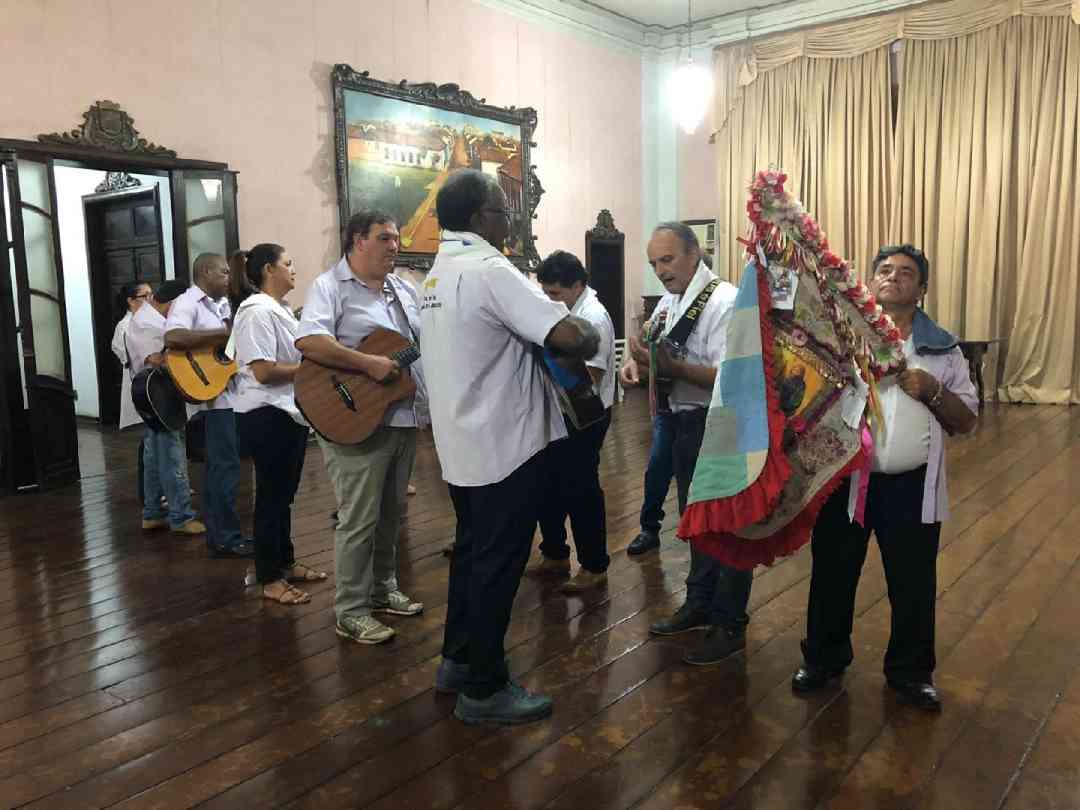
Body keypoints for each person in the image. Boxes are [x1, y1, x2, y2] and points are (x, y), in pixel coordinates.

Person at [420, 169, 600, 726]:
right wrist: (587, 331)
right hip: (507, 444)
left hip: (460, 441)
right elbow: (569, 337)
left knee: (472, 556)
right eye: (503, 210)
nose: (510, 219)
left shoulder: (436, 275)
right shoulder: (490, 270)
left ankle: (456, 661)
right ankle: (484, 688)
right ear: (479, 217)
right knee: (498, 566)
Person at [792, 245, 977, 711]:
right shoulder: (840, 338)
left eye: (907, 272)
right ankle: (822, 660)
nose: (893, 277)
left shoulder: (942, 349)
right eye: (884, 270)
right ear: (869, 282)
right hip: (846, 480)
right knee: (833, 573)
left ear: (922, 289)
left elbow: (966, 420)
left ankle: (911, 674)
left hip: (911, 487)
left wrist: (931, 389)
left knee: (912, 582)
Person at [296, 211, 426, 644]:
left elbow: (423, 341)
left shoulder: (403, 290)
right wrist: (367, 362)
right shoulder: (329, 287)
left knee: (393, 512)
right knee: (359, 517)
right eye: (385, 238)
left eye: (396, 238)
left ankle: (382, 588)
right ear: (357, 240)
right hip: (350, 415)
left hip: (402, 414)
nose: (395, 246)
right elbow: (310, 341)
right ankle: (350, 609)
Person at [622, 222, 748, 666]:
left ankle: (729, 621)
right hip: (681, 422)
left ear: (695, 254)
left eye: (668, 259)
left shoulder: (726, 301)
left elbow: (731, 376)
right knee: (697, 520)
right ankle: (699, 602)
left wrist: (669, 367)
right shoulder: (671, 304)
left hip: (720, 423)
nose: (659, 270)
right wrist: (637, 367)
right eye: (654, 262)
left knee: (729, 525)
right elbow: (656, 355)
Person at [228, 243, 327, 605]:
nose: (294, 269)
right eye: (288, 263)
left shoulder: (278, 309)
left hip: (288, 411)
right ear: (269, 270)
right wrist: (313, 369)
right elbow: (264, 370)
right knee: (271, 498)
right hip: (266, 413)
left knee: (283, 497)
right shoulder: (255, 311)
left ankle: (284, 560)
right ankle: (269, 578)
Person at [527, 250, 616, 593]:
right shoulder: (565, 312)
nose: (550, 300)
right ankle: (554, 554)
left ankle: (594, 566)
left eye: (555, 293)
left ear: (577, 285)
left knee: (581, 490)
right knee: (548, 485)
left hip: (585, 415)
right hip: (559, 413)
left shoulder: (593, 317)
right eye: (546, 293)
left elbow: (589, 376)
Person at [164, 253, 253, 559]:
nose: (229, 277)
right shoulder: (188, 301)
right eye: (223, 272)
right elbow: (173, 336)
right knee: (223, 468)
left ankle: (225, 534)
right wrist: (222, 333)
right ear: (204, 272)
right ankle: (225, 537)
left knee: (227, 468)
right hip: (215, 400)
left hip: (232, 393)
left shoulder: (222, 305)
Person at [126, 280, 206, 536]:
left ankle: (153, 513)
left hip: (159, 397)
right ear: (173, 303)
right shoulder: (147, 322)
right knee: (171, 455)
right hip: (160, 398)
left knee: (153, 456)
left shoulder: (149, 319)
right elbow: (157, 360)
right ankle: (181, 516)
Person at [111, 281, 152, 431]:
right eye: (145, 295)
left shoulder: (150, 319)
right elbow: (121, 351)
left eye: (151, 294)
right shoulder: (125, 325)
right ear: (130, 300)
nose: (150, 299)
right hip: (140, 378)